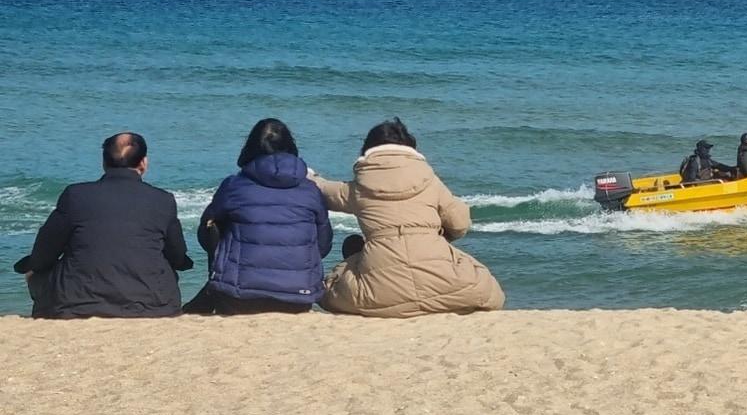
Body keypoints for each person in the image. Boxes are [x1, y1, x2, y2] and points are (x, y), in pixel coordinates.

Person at [309, 119, 505, 317]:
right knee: (489, 290)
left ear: (367, 150)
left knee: (334, 283)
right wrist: (440, 236)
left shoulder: (357, 190)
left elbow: (322, 190)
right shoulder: (430, 182)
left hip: (380, 292)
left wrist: (309, 175)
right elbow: (461, 224)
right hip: (441, 281)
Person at [14, 132, 192, 319]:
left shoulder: (75, 195)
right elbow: (178, 256)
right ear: (143, 163)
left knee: (35, 272)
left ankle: (44, 314)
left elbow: (45, 252)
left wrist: (29, 265)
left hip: (77, 303)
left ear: (104, 162)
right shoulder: (163, 200)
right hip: (153, 304)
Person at [184, 118, 333, 315]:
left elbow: (205, 234)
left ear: (251, 148)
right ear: (290, 147)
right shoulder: (311, 191)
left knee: (214, 224)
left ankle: (214, 288)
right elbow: (324, 244)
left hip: (238, 298)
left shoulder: (234, 186)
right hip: (298, 298)